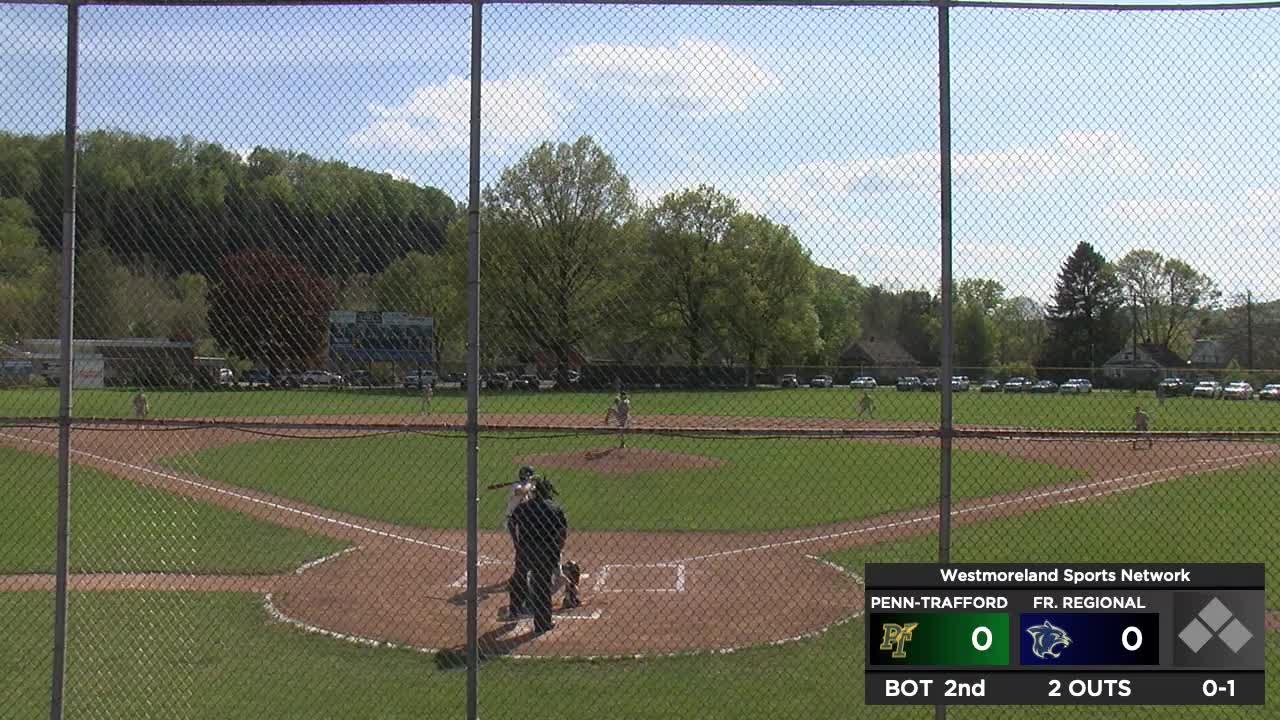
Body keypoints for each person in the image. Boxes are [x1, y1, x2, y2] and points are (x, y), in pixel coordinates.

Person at [507, 477, 568, 633]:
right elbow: (562, 533)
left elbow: (511, 522)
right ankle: (542, 624)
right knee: (542, 586)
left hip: (526, 549)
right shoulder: (555, 508)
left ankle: (514, 610)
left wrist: (517, 542)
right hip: (546, 551)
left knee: (519, 579)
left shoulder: (524, 507)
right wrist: (557, 548)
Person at [501, 466, 536, 619]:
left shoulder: (528, 487)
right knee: (521, 551)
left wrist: (533, 485)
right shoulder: (517, 486)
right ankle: (518, 577)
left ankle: (517, 576)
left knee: (522, 551)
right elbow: (521, 492)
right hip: (514, 522)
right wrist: (530, 483)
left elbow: (532, 496)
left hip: (523, 523)